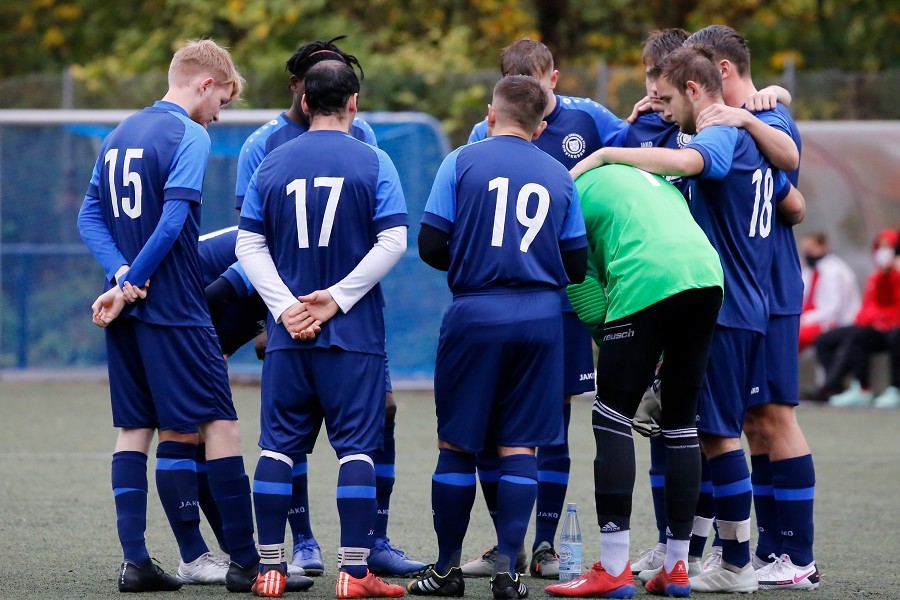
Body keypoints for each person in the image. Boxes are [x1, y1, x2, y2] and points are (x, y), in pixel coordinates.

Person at [571, 44, 805, 594]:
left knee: (719, 436)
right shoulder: (747, 129)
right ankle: (693, 556)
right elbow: (792, 204)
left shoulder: (720, 128)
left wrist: (608, 156)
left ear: (699, 89)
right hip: (741, 300)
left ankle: (737, 563)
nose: (663, 108)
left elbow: (701, 161)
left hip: (726, 306)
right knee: (703, 433)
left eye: (670, 96)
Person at [76, 39, 272, 593]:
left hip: (126, 308)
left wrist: (118, 279)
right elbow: (172, 221)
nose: (219, 113)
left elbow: (89, 217)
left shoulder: (118, 134)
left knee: (135, 430)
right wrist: (135, 281)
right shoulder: (189, 133)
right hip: (176, 305)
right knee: (220, 424)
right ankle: (246, 564)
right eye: (223, 101)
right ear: (205, 83)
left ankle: (136, 562)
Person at [235, 36, 424, 578]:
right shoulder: (374, 159)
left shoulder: (271, 161)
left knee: (276, 449)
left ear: (303, 101)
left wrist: (286, 308)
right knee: (357, 452)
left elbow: (248, 244)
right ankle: (355, 574)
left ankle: (270, 569)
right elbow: (392, 242)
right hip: (354, 335)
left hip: (288, 337)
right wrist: (335, 300)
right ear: (354, 102)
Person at [407, 75, 587, 600]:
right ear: (542, 125)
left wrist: (475, 254)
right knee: (520, 445)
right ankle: (509, 573)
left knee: (458, 445)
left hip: (476, 313)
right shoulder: (559, 174)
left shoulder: (461, 160)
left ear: (491, 113)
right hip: (540, 319)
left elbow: (431, 245)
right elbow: (575, 264)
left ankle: (445, 572)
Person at [462, 37, 622, 581]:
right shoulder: (480, 137)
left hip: (564, 304)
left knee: (551, 426)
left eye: (546, 86)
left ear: (555, 77)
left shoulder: (592, 119)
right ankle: (505, 543)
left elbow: (643, 150)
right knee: (488, 427)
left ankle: (545, 544)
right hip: (497, 300)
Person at [676, 24, 820, 591]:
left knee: (776, 417)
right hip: (754, 289)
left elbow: (787, 156)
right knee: (753, 423)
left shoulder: (763, 117)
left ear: (724, 70)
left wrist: (758, 112)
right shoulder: (728, 131)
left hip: (772, 290)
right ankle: (770, 550)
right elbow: (796, 203)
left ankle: (798, 553)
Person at [541, 164, 723, 599]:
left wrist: (625, 361)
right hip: (707, 276)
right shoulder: (648, 178)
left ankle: (615, 569)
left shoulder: (566, 194)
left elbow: (584, 293)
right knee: (681, 423)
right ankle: (678, 568)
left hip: (647, 276)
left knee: (610, 417)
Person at [818, 228, 900, 408]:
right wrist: (877, 319)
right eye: (880, 247)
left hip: (893, 329)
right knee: (841, 337)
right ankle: (853, 387)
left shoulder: (896, 274)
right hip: (878, 328)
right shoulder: (876, 276)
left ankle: (896, 388)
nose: (883, 252)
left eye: (888, 247)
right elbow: (866, 309)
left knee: (895, 337)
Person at [799, 231, 860, 351]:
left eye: (811, 248)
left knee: (792, 338)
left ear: (824, 247)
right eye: (805, 250)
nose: (808, 253)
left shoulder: (834, 271)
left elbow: (832, 308)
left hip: (834, 323)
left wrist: (806, 319)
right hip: (813, 320)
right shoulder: (810, 271)